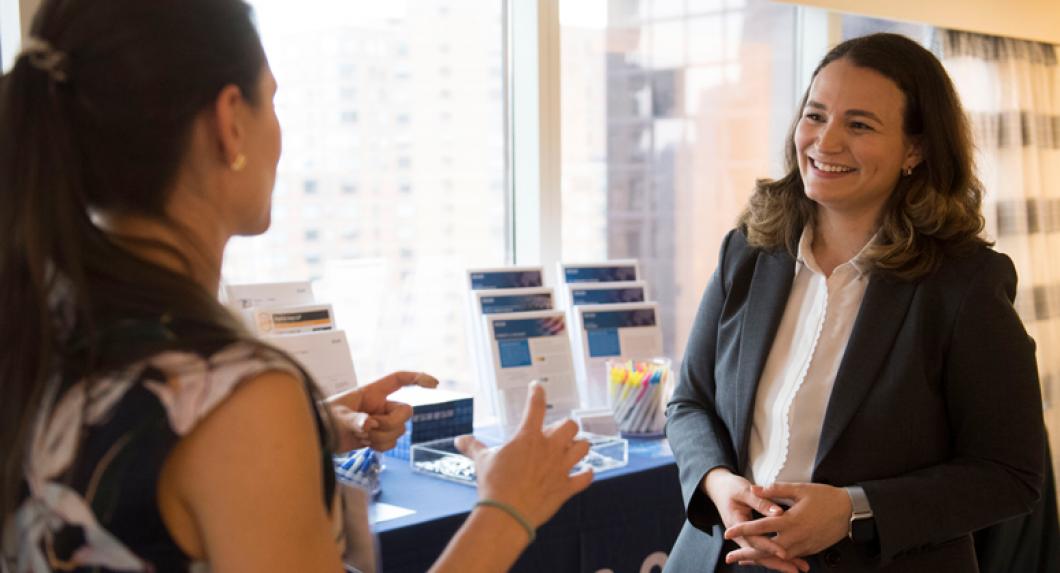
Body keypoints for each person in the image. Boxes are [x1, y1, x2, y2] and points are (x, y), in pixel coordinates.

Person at [0, 1, 593, 572]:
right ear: (230, 122)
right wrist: (505, 508)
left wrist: (308, 429)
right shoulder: (237, 396)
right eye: (274, 100)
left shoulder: (39, 331)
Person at [664, 33, 1045, 573]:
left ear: (915, 149)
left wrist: (851, 510)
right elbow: (689, 404)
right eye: (815, 115)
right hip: (722, 558)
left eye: (859, 124)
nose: (825, 141)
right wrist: (718, 484)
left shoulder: (965, 284)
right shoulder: (747, 252)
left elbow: (1011, 474)